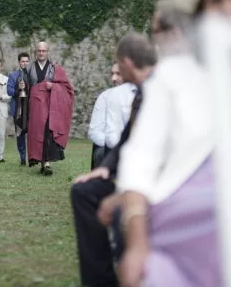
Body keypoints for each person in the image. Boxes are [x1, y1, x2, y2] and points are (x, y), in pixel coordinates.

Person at [115, 0, 231, 287]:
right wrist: (137, 243)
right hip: (186, 214)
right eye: (215, 0)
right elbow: (141, 158)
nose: (227, 8)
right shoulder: (175, 75)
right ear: (202, 13)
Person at [71, 33, 156, 287]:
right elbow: (127, 140)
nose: (116, 72)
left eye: (117, 65)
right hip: (132, 175)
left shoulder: (161, 91)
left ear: (127, 63)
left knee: (121, 211)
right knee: (83, 191)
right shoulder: (140, 92)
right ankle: (99, 280)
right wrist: (105, 169)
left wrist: (127, 190)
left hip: (157, 179)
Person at [25, 42, 74, 175]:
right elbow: (26, 88)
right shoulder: (29, 68)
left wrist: (53, 86)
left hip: (50, 105)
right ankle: (40, 161)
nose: (41, 53)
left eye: (44, 51)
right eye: (39, 51)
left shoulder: (54, 68)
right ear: (36, 52)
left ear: (48, 52)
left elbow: (66, 87)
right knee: (37, 132)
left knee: (48, 130)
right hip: (35, 106)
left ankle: (47, 163)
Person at [88, 62, 132, 169]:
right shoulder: (105, 97)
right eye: (112, 74)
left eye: (118, 74)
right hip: (109, 147)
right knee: (100, 154)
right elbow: (94, 132)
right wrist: (117, 145)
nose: (114, 78)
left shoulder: (139, 95)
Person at [7, 52, 30, 165]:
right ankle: (22, 158)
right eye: (22, 61)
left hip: (30, 108)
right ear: (19, 62)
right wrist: (18, 88)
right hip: (18, 109)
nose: (25, 63)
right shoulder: (13, 75)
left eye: (26, 61)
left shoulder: (32, 75)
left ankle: (32, 157)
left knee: (32, 134)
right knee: (20, 134)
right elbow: (9, 91)